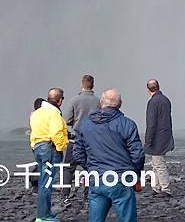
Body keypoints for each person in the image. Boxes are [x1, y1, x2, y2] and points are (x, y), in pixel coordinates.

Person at [72, 89, 146, 222]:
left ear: (101, 103)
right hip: (121, 179)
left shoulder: (84, 125)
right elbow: (138, 155)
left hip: (97, 178)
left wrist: (90, 168)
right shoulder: (127, 124)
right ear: (120, 104)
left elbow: (77, 154)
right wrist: (135, 174)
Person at [29, 86, 67, 222]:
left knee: (43, 182)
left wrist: (34, 146)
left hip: (38, 148)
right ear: (60, 100)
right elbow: (56, 133)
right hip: (49, 149)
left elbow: (34, 132)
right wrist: (62, 146)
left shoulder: (38, 113)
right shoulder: (54, 114)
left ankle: (44, 214)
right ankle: (43, 216)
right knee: (47, 183)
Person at [64, 75, 102, 203]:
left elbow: (67, 120)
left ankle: (65, 195)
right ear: (93, 85)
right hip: (92, 141)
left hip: (76, 139)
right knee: (90, 167)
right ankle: (87, 195)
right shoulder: (98, 102)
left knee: (69, 168)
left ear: (82, 84)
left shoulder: (74, 100)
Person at [143, 80, 173, 194]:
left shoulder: (153, 102)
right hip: (165, 135)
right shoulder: (165, 100)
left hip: (157, 138)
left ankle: (165, 188)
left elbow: (151, 124)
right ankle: (156, 187)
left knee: (159, 164)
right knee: (155, 163)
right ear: (158, 87)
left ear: (148, 89)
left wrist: (148, 140)